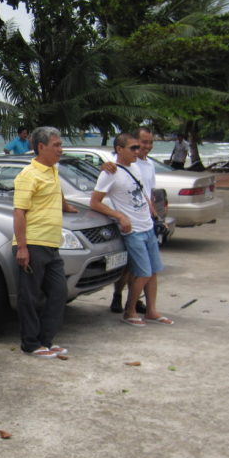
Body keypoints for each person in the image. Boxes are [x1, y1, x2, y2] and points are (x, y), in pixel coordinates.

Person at [90, 133, 174, 327]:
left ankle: (151, 310)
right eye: (133, 148)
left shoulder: (135, 167)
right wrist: (119, 216)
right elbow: (95, 202)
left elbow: (143, 194)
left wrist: (156, 217)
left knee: (153, 271)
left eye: (138, 147)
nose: (138, 151)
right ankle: (130, 310)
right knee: (143, 272)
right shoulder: (110, 172)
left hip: (147, 226)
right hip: (133, 230)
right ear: (119, 150)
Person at [12, 126, 79, 358]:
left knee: (59, 292)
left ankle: (46, 340)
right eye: (56, 145)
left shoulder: (52, 171)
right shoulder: (28, 175)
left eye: (61, 145)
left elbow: (55, 191)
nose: (61, 149)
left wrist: (66, 206)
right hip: (32, 243)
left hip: (51, 244)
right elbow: (19, 212)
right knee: (29, 296)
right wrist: (22, 247)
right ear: (41, 147)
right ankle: (30, 343)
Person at [108, 127, 158, 314]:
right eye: (142, 142)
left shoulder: (146, 165)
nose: (146, 147)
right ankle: (119, 297)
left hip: (145, 221)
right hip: (130, 224)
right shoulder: (119, 164)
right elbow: (109, 169)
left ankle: (136, 302)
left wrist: (154, 214)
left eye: (150, 142)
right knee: (128, 267)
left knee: (144, 268)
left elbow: (148, 192)